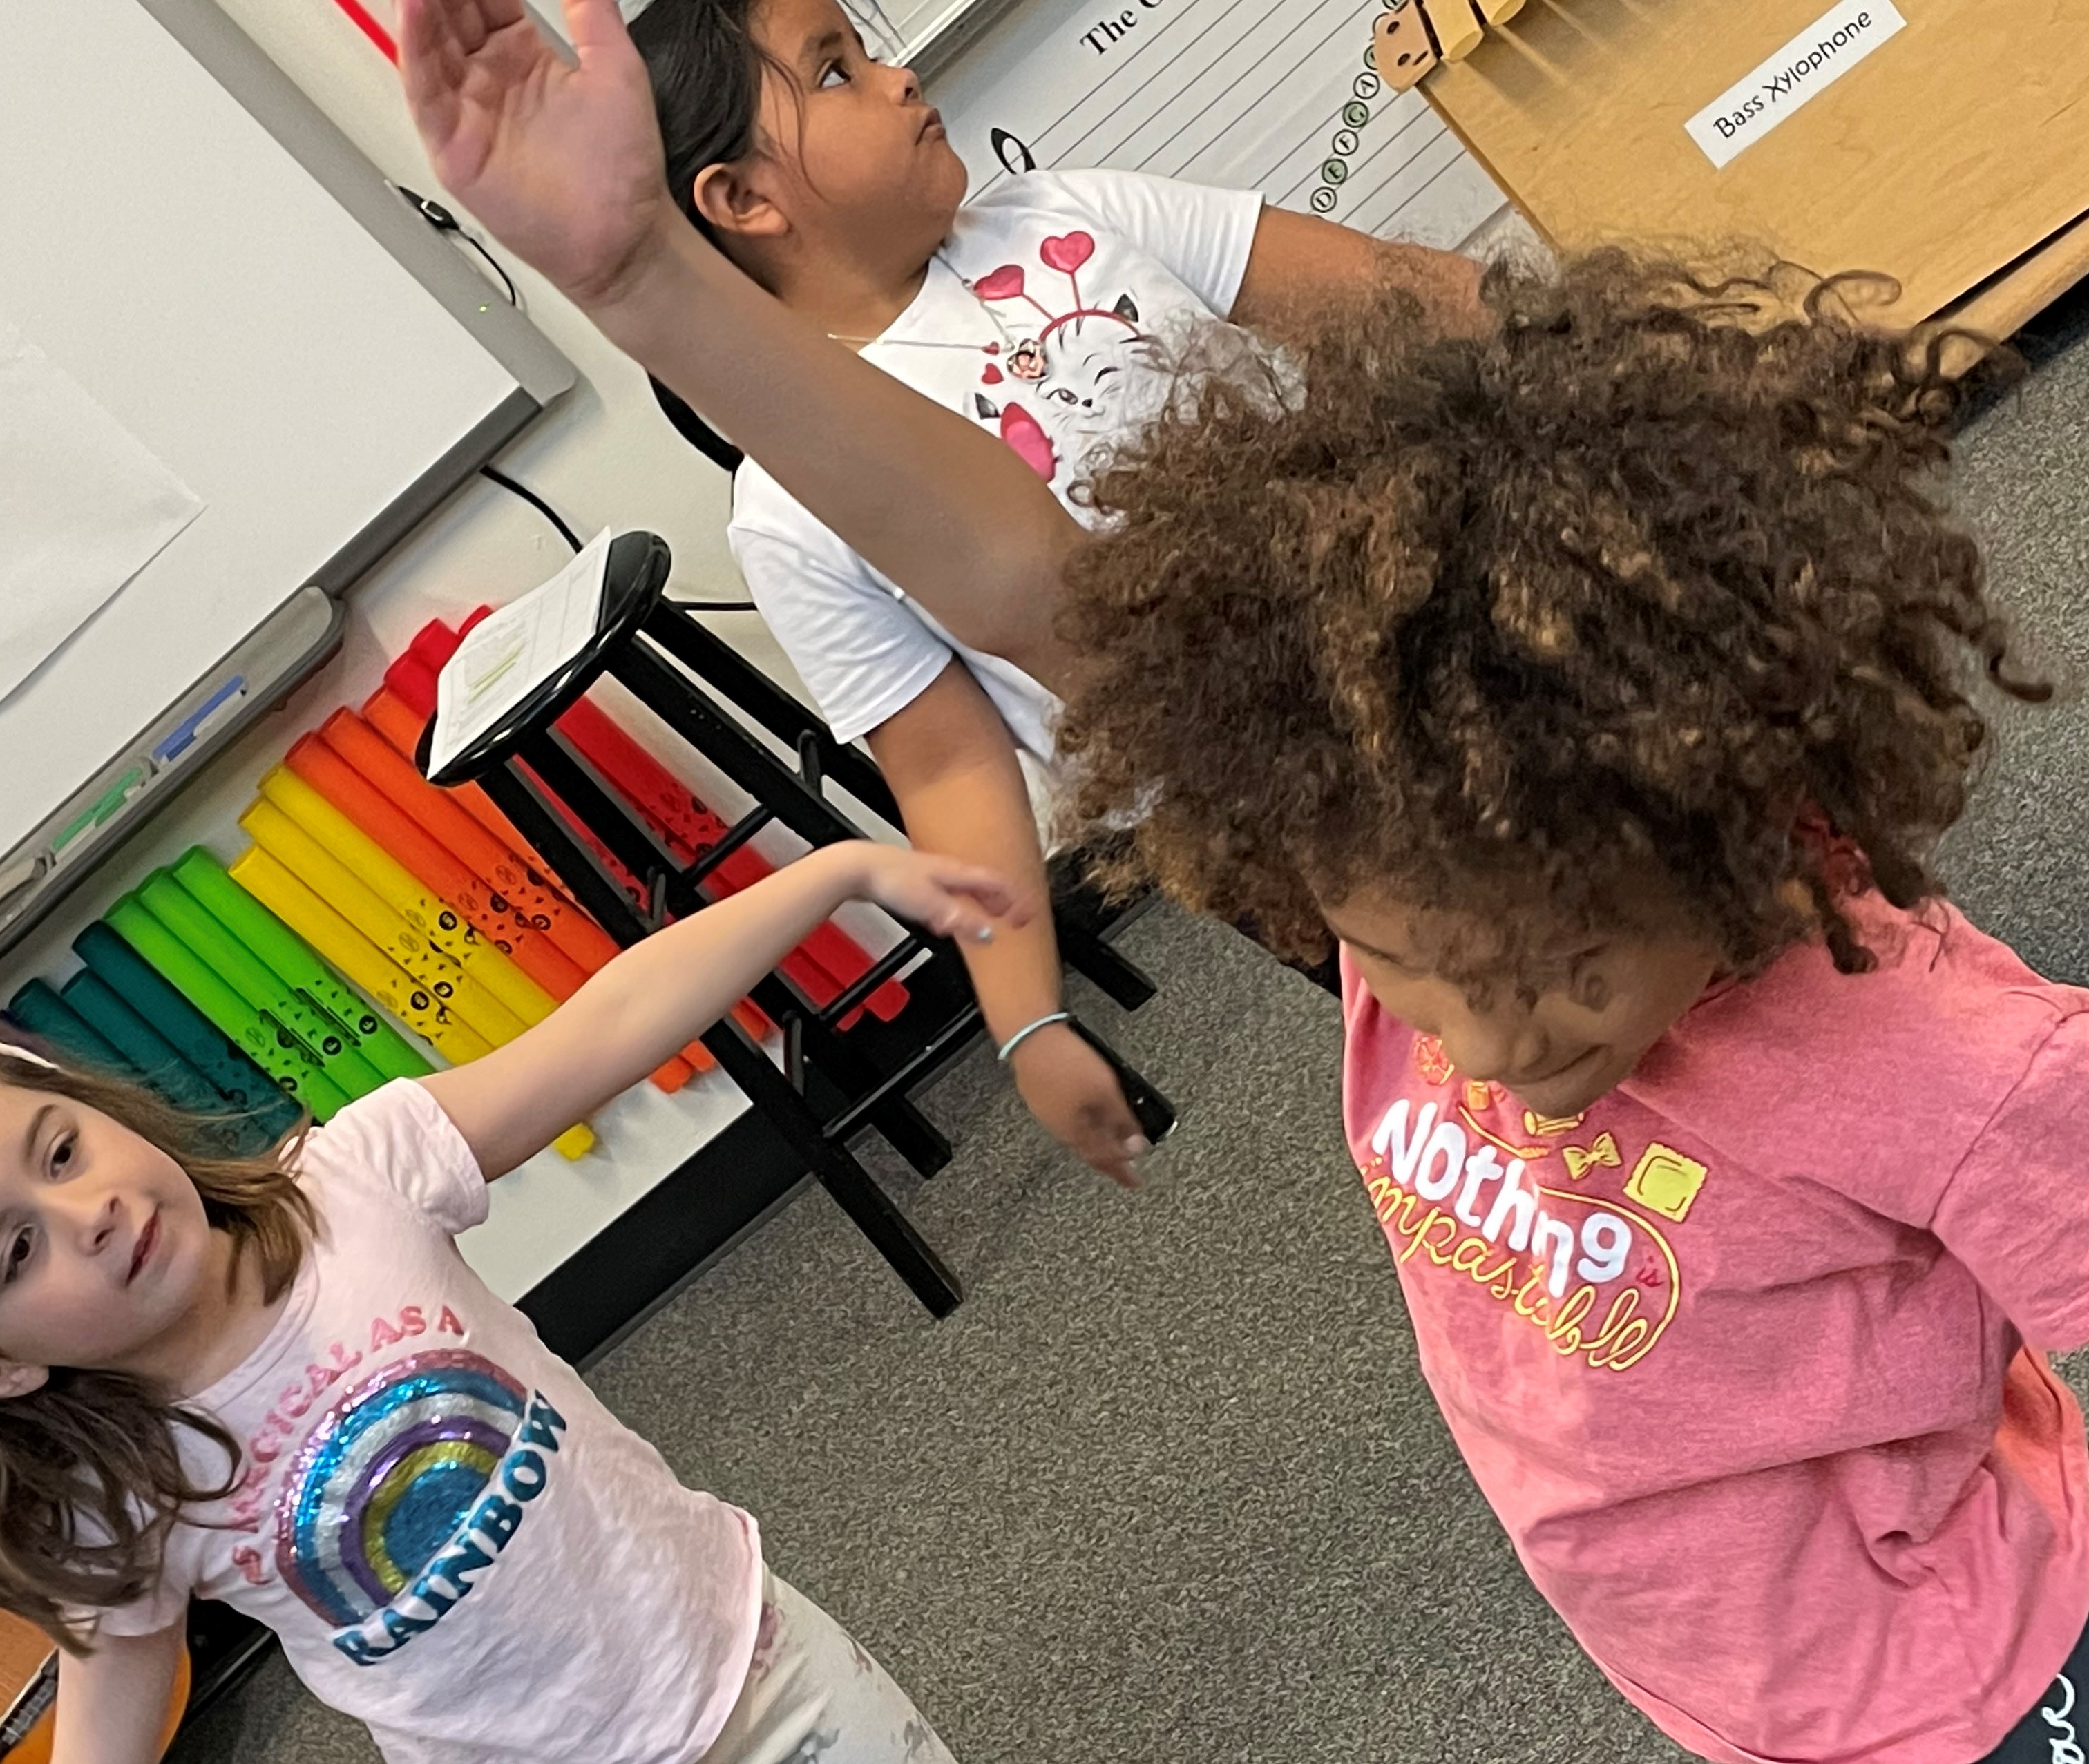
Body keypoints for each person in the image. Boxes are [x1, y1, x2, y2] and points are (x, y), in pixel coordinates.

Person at [395, 3, 2089, 1764]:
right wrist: (647, 282)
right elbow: (1025, 581)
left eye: (1567, 966)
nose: (1491, 1034)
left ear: (1726, 803)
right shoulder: (1398, 873)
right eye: (1416, 962)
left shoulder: (1924, 1047)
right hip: (1879, 1686)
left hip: (2026, 1722)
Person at [0, 814, 1268, 1764]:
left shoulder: (360, 1183)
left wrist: (835, 877)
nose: (87, 1211)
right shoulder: (125, 1503)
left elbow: (607, 1023)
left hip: (754, 1664)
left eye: (58, 1149)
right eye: (14, 1253)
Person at [630, 0, 1476, 1185]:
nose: (895, 75)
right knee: (1491, 1054)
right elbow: (949, 770)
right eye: (833, 72)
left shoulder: (1063, 213)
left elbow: (1409, 298)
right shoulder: (789, 508)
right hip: (1258, 825)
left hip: (1433, 646)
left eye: (867, 48)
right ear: (744, 201)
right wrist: (1026, 1017)